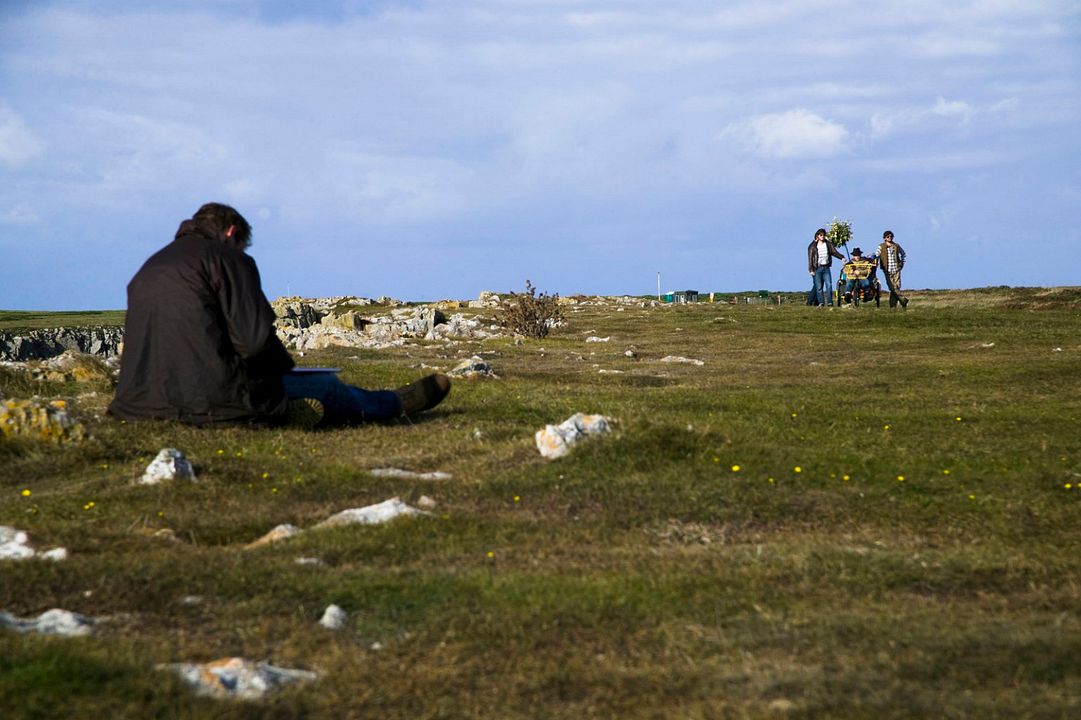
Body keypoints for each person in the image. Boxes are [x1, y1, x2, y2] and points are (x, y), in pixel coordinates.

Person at [108, 202, 449, 427]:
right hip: (210, 405)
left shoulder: (149, 267)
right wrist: (284, 370)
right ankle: (393, 404)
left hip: (138, 406)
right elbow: (254, 343)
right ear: (231, 233)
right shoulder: (228, 259)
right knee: (326, 386)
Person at [807, 227, 846, 307]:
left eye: (824, 235)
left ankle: (830, 302)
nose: (822, 236)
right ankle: (821, 303)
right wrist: (811, 269)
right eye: (821, 235)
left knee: (829, 285)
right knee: (819, 287)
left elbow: (834, 252)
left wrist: (842, 257)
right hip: (817, 268)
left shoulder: (828, 244)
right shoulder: (813, 246)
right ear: (817, 236)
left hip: (826, 268)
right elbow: (810, 258)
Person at [877, 230, 908, 308]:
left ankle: (893, 306)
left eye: (891, 236)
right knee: (892, 287)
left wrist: (901, 264)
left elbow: (903, 254)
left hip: (896, 269)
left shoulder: (896, 246)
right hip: (887, 270)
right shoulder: (881, 246)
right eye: (888, 237)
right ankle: (903, 300)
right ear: (884, 238)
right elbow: (876, 255)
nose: (890, 238)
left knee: (896, 287)